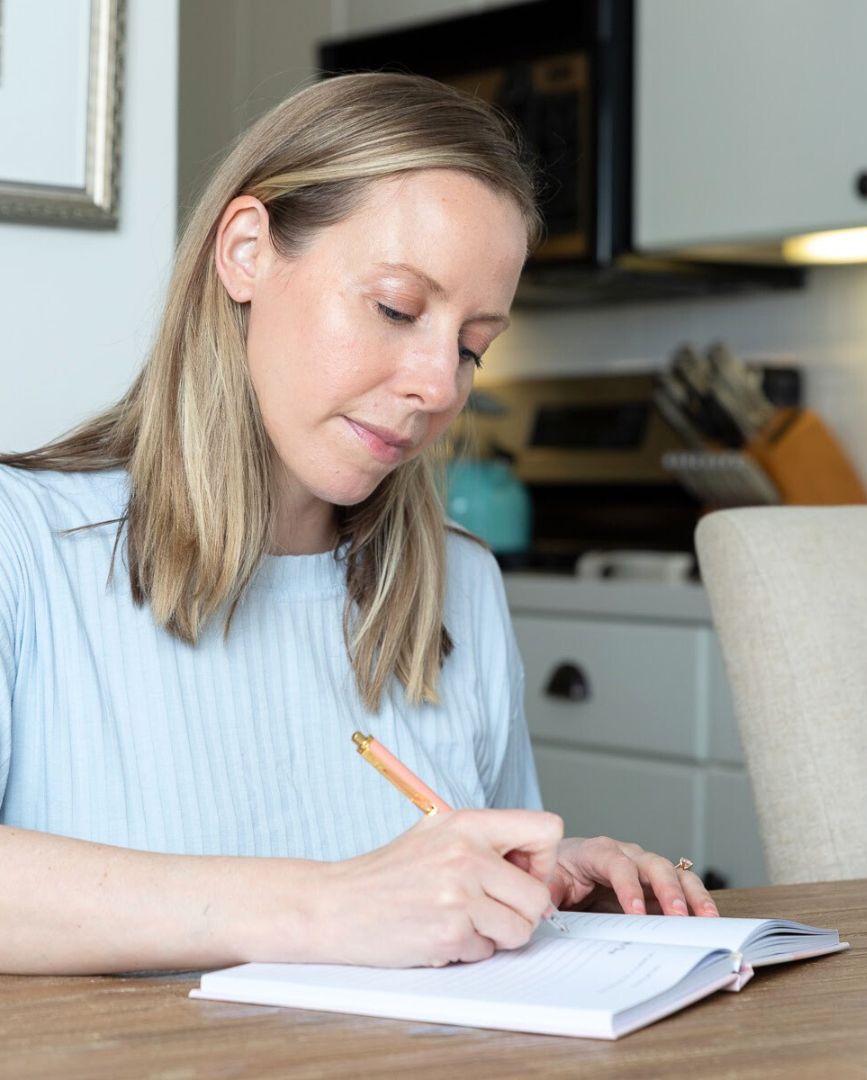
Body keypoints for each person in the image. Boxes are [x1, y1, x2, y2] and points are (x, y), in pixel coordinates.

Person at [0, 73, 717, 976]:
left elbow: (449, 924)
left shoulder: (462, 586)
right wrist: (326, 906)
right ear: (247, 251)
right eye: (395, 309)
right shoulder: (20, 544)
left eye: (471, 348)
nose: (439, 385)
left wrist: (534, 898)